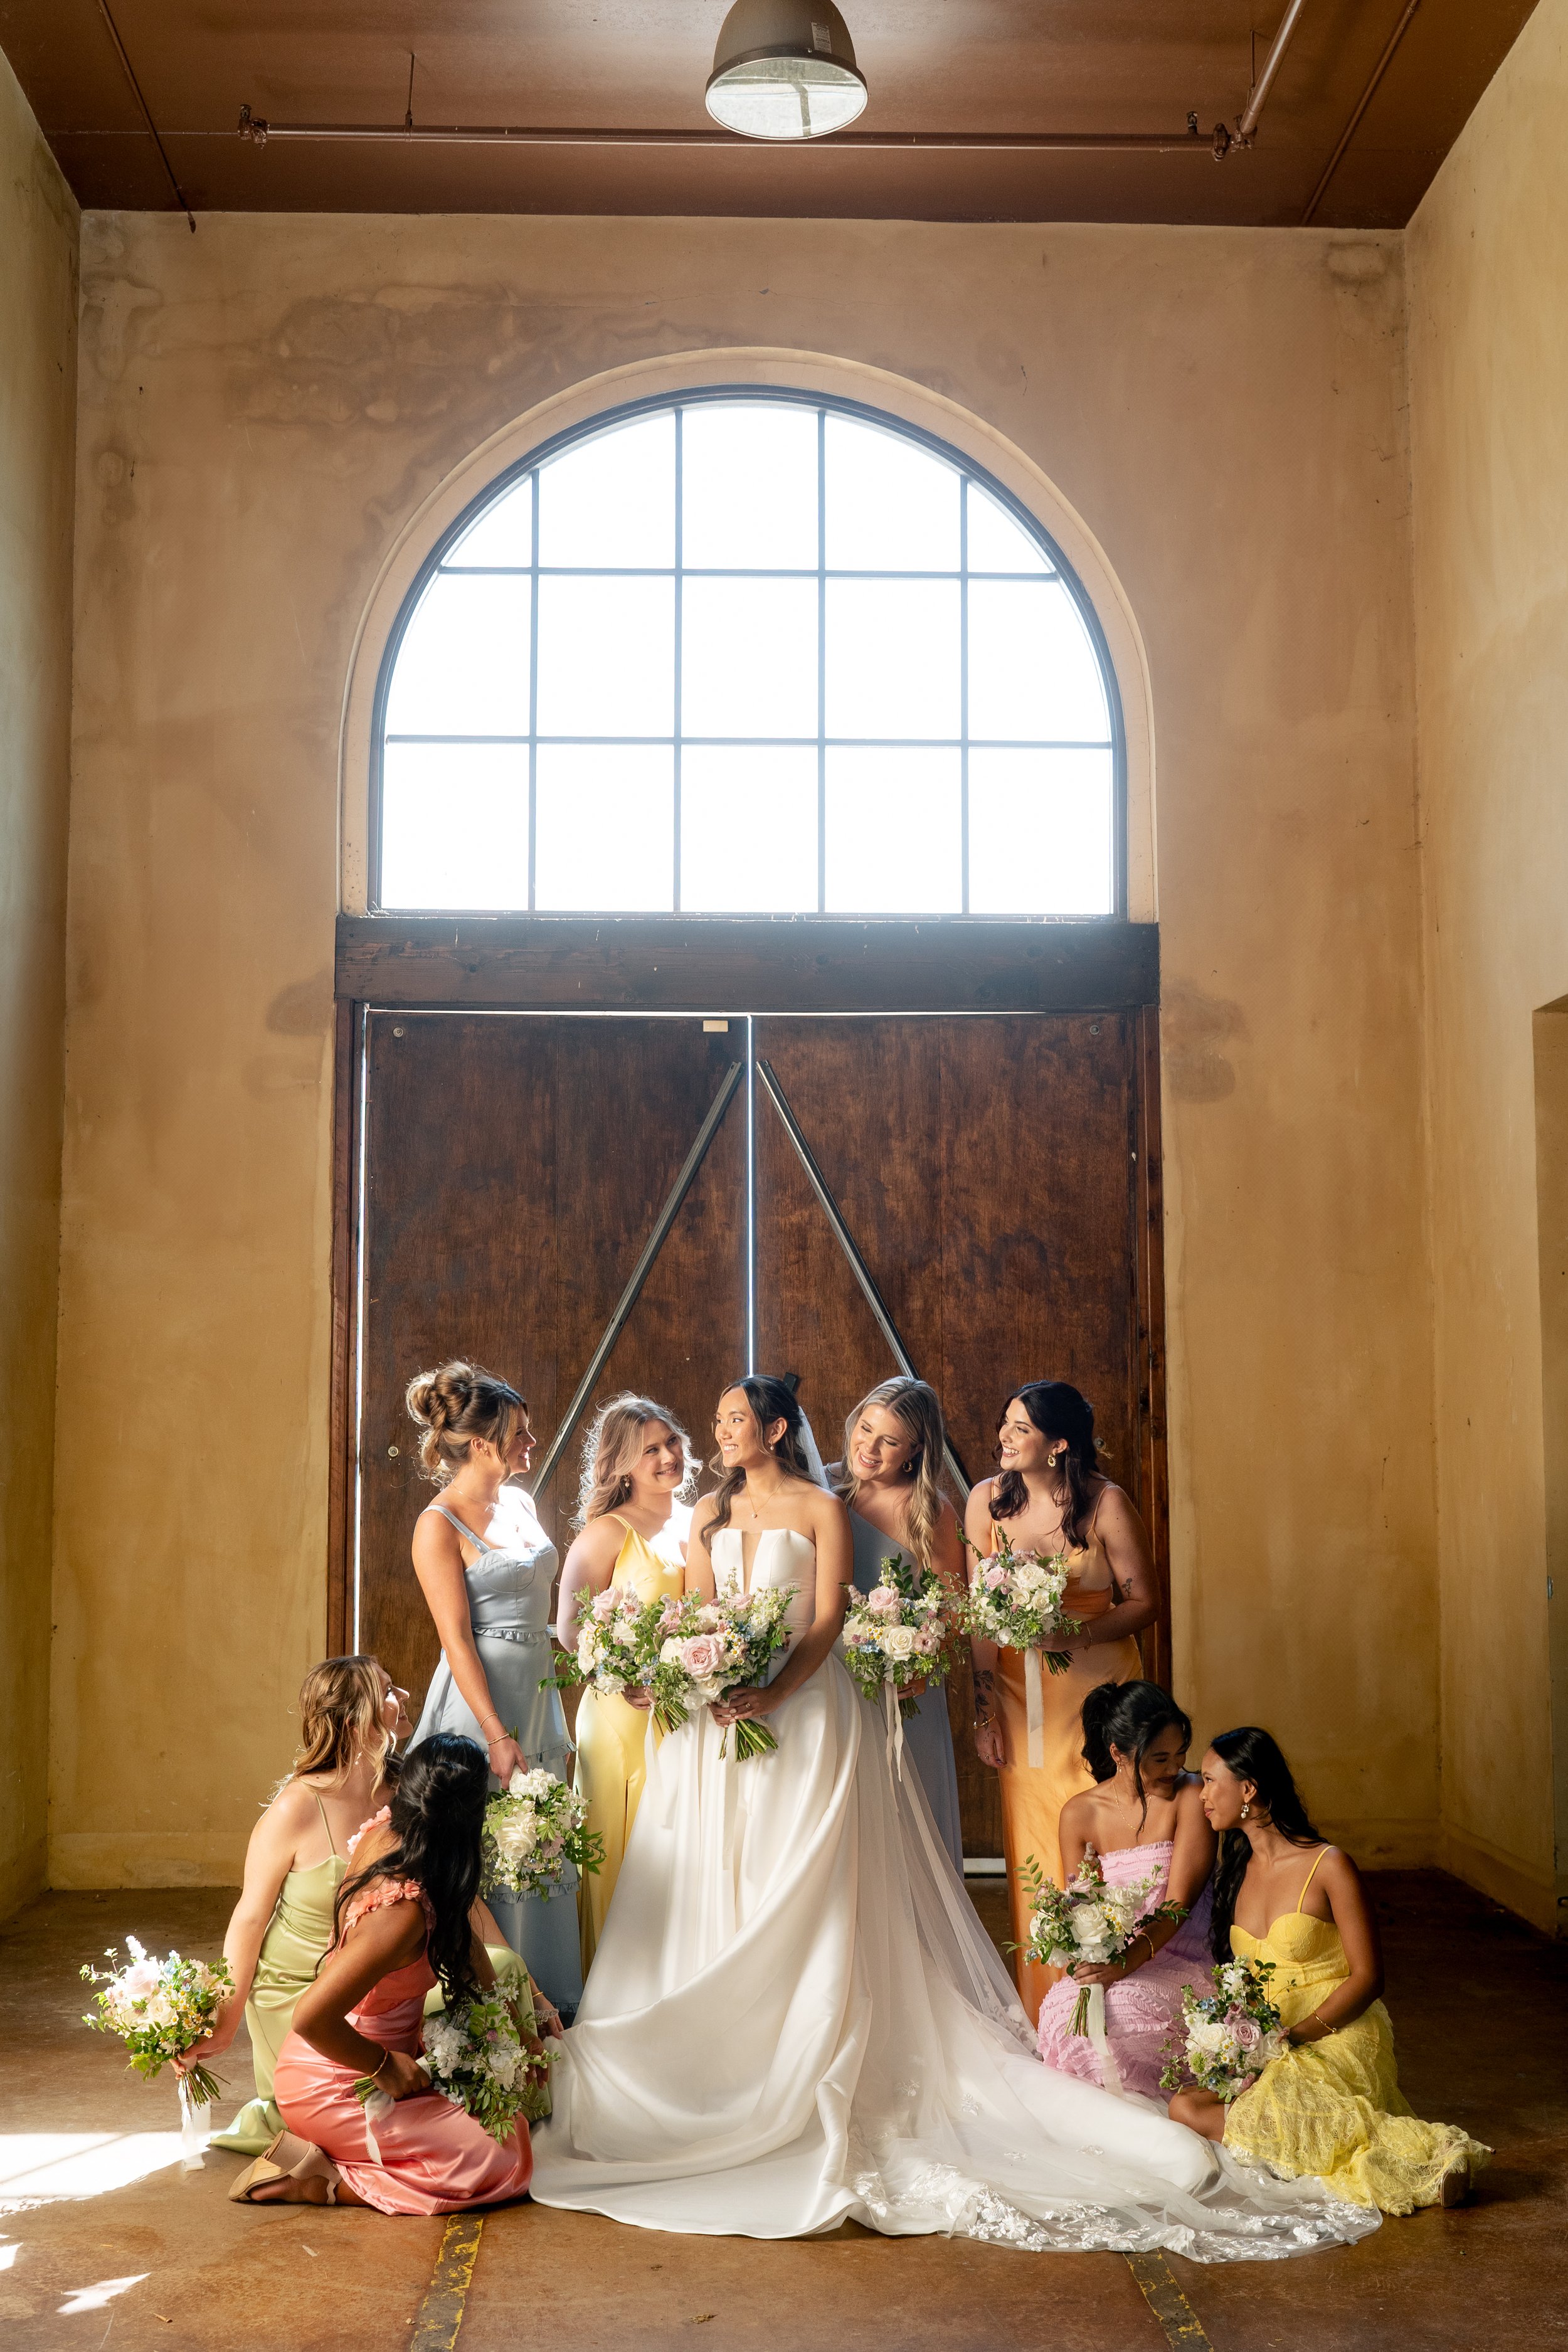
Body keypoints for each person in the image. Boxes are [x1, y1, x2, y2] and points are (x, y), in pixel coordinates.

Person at [527, 1377, 1377, 2260]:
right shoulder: (711, 1510)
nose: (721, 1433)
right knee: (726, 1874)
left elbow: (830, 1617)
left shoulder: (831, 1509)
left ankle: (983, 2021)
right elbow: (701, 1607)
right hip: (723, 1723)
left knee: (828, 1884)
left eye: (736, 1419)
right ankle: (723, 2052)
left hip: (816, 1708)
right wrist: (698, 1670)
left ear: (776, 1428)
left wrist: (779, 1684)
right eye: (719, 1421)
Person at [1167, 1728, 1490, 2213]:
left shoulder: (1329, 1865)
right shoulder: (1235, 1870)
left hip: (1335, 2028)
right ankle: (1378, 2150)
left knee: (1274, 2110)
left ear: (1248, 1790)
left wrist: (1296, 2036)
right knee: (1185, 2106)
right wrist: (1240, 2043)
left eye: (1212, 1782)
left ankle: (1435, 2154)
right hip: (1271, 2039)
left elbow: (1369, 1977)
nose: (1203, 1795)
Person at [230, 1734, 538, 2211]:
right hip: (336, 2079)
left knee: (508, 2116)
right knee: (499, 2156)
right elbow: (309, 2017)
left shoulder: (394, 1831)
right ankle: (318, 2181)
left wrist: (516, 2028)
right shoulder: (401, 1915)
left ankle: (351, 2156)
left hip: (388, 2058)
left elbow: (463, 1938)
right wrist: (381, 2066)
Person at [965, 1380, 1158, 2021]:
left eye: (1020, 1429)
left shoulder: (1105, 1504)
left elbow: (1142, 1603)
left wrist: (1070, 1631)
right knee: (1035, 1844)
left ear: (1060, 1444)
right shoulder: (985, 1502)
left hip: (1099, 1693)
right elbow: (979, 1617)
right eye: (1006, 1424)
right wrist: (983, 1709)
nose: (1005, 1438)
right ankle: (1047, 2006)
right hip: (1022, 1704)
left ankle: (1111, 2001)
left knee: (1106, 1835)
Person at [405, 1360, 583, 2020]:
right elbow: (455, 1637)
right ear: (482, 1444)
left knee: (539, 1838)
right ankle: (485, 2005)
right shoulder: (438, 1525)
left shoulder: (520, 1502)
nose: (531, 1446)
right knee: (484, 1846)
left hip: (537, 1694)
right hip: (483, 1702)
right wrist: (496, 1734)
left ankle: (550, 1997)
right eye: (520, 1436)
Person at [184, 1658, 410, 2156]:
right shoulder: (296, 1806)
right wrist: (226, 2017)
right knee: (352, 2123)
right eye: (389, 1692)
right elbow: (249, 1918)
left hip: (373, 1979)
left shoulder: (404, 1790)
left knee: (418, 2100)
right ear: (356, 1721)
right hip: (296, 1991)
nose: (404, 1700)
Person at [556, 1393, 695, 1971]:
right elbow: (570, 1630)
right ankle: (613, 1980)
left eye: (672, 1444)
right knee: (619, 1845)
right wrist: (623, 1673)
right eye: (650, 1451)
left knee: (680, 1843)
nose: (667, 1458)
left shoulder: (700, 1522)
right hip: (622, 1713)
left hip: (685, 1709)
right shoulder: (606, 1534)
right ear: (621, 1464)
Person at [1036, 1680, 1216, 2099]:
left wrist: (1125, 1966)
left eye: (1180, 1755)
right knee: (1065, 2017)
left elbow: (1177, 1905)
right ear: (1119, 1754)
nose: (1174, 1768)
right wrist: (1092, 1964)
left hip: (1179, 1960)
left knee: (1127, 2016)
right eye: (1159, 1758)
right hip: (1115, 1962)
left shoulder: (1190, 1797)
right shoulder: (1079, 1814)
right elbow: (1082, 1911)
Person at [829, 1375, 966, 1872]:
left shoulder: (930, 1511)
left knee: (909, 1813)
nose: (869, 1447)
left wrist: (922, 1664)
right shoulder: (824, 1489)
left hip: (903, 1685)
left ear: (914, 1449)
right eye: (865, 1429)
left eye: (888, 1441)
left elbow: (952, 1606)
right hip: (834, 1679)